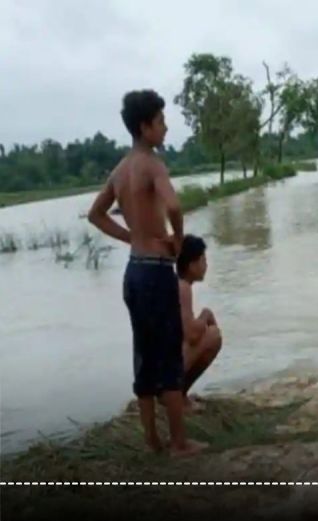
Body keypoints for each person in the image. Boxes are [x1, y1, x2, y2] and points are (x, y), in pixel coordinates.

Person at [87, 90, 206, 457]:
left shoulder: (121, 170)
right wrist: (177, 240)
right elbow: (173, 204)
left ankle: (152, 440)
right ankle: (180, 443)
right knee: (169, 357)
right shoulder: (152, 163)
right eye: (161, 121)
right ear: (145, 127)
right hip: (155, 271)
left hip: (134, 272)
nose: (166, 127)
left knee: (144, 355)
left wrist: (131, 238)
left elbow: (96, 214)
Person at [177, 235, 222, 412]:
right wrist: (206, 315)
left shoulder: (176, 284)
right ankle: (176, 397)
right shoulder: (183, 287)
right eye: (203, 260)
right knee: (213, 335)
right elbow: (192, 335)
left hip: (160, 365)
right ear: (191, 265)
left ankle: (180, 394)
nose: (206, 265)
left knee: (209, 333)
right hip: (165, 371)